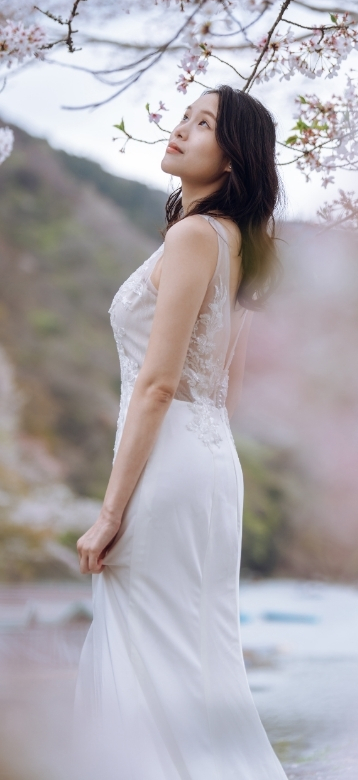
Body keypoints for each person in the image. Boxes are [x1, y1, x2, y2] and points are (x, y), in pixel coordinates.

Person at [72, 84, 286, 779]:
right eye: (185, 116)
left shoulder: (195, 236)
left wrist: (109, 514)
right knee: (201, 666)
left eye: (204, 125)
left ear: (233, 159)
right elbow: (231, 386)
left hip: (167, 465)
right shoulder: (244, 244)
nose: (180, 129)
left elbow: (158, 384)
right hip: (211, 462)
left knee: (152, 667)